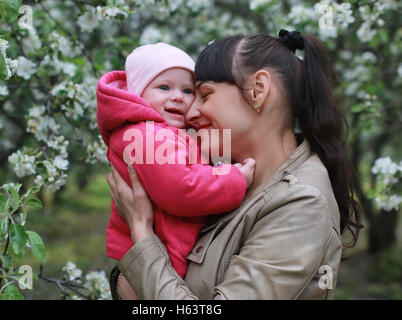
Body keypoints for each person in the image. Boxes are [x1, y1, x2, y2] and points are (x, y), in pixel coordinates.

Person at [106, 30, 362, 299]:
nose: (191, 112)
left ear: (258, 91)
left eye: (204, 94)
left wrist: (142, 233)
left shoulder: (302, 203)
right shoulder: (223, 179)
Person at [96, 42, 255, 281]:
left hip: (163, 254)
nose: (178, 97)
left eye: (187, 91)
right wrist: (234, 180)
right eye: (164, 87)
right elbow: (180, 188)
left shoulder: (164, 133)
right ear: (137, 93)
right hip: (161, 257)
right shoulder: (146, 135)